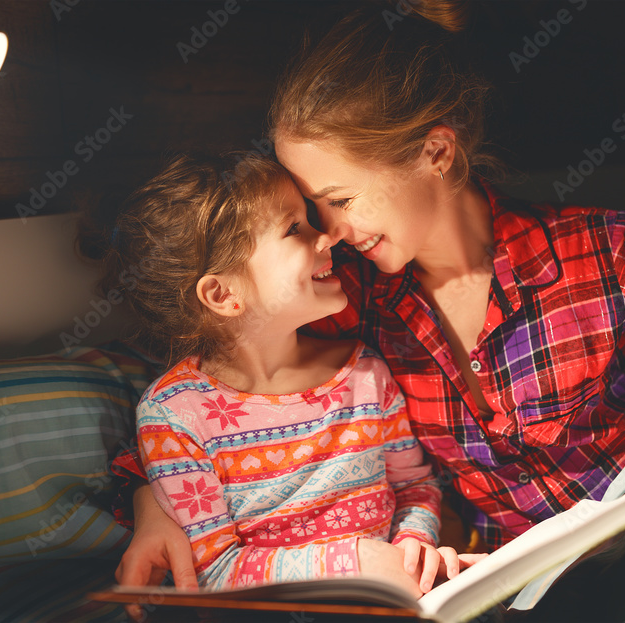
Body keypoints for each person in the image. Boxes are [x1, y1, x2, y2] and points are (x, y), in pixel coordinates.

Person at [112, 2, 625, 620]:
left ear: (435, 152)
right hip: (535, 586)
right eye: (311, 212)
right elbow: (218, 383)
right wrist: (154, 499)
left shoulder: (604, 254)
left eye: (339, 200)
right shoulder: (359, 297)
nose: (329, 233)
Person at [78, 152, 482, 603]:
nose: (327, 236)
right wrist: (357, 565)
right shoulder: (175, 415)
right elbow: (215, 570)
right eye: (294, 229)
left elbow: (414, 486)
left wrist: (413, 544)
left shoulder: (366, 373)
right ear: (224, 293)